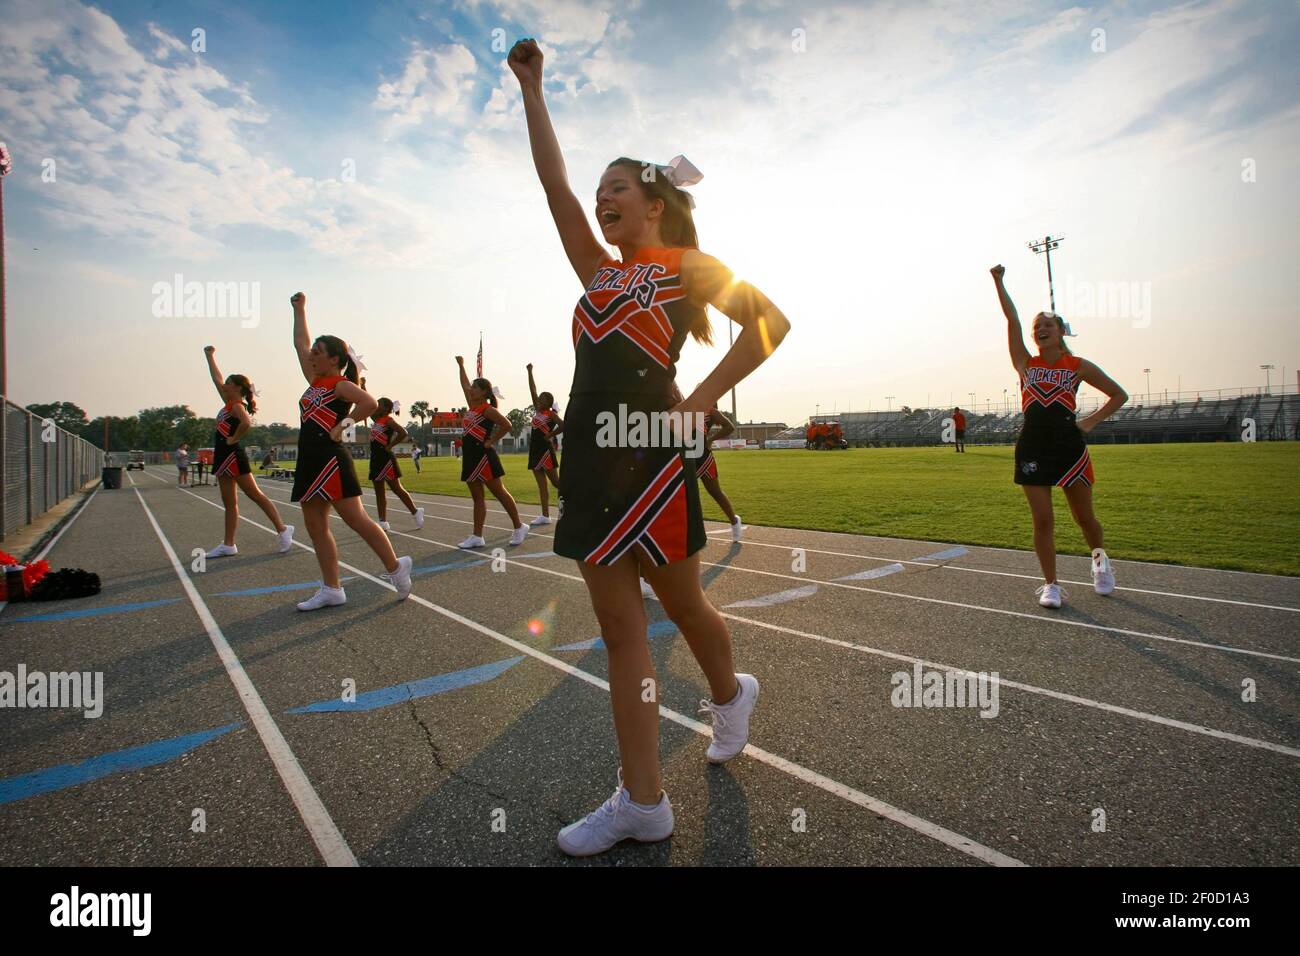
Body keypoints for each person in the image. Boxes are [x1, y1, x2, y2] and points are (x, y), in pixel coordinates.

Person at [509, 37, 791, 856]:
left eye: (618, 189)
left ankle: (731, 692)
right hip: (592, 455)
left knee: (684, 605)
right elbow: (552, 184)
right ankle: (644, 800)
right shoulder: (594, 271)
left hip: (652, 453)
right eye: (601, 192)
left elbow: (771, 323)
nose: (601, 200)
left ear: (654, 203)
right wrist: (534, 89)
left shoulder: (685, 266)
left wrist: (700, 401)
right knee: (619, 632)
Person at [991, 264, 1127, 607]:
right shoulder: (1025, 363)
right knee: (1043, 519)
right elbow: (1012, 321)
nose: (1040, 330)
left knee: (1085, 519)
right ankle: (1050, 584)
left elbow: (1118, 394)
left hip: (1069, 447)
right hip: (1033, 446)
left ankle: (1099, 562)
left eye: (1047, 325)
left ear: (1061, 331)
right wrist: (999, 281)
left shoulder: (1077, 365)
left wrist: (1090, 422)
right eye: (1038, 327)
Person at [289, 293, 412, 609]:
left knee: (356, 519)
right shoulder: (314, 380)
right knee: (315, 526)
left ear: (333, 360)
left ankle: (396, 568)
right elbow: (300, 343)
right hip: (309, 458)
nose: (311, 354)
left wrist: (342, 423)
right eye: (313, 352)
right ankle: (332, 588)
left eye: (318, 352)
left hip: (331, 458)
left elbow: (368, 403)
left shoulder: (339, 384)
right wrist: (300, 309)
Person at [201, 346, 294, 558]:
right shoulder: (228, 402)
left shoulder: (236, 405)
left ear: (236, 388)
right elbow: (217, 378)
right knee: (229, 502)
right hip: (224, 456)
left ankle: (282, 529)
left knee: (254, 495)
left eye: (228, 384)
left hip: (233, 455)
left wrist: (234, 438)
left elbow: (246, 422)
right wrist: (210, 357)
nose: (224, 386)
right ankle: (228, 544)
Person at [454, 356, 528, 549]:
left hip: (483, 457)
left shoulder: (487, 409)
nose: (471, 389)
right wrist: (461, 365)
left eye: (475, 388)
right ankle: (477, 536)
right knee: (477, 497)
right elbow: (463, 383)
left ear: (484, 392)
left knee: (499, 492)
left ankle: (519, 527)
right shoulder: (472, 406)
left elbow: (507, 424)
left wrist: (491, 441)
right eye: (472, 387)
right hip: (470, 456)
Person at [368, 397, 424, 531]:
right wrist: (363, 387)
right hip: (375, 458)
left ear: (386, 408)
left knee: (396, 488)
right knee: (379, 492)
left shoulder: (388, 420)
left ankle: (415, 512)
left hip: (386, 459)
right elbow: (368, 405)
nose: (376, 405)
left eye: (379, 404)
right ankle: (382, 521)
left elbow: (403, 432)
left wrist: (391, 445)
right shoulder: (376, 420)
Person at [525, 363, 564, 526]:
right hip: (534, 450)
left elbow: (564, 425)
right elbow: (532, 390)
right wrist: (530, 372)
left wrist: (551, 434)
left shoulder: (551, 414)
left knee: (556, 483)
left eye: (542, 398)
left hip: (545, 451)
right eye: (539, 398)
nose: (539, 399)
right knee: (541, 485)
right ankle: (545, 515)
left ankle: (574, 501)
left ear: (549, 402)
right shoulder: (538, 411)